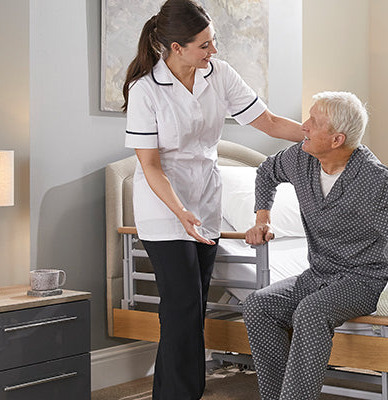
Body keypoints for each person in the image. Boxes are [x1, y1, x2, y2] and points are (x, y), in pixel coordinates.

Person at [121, 0, 304, 398]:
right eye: (204, 45)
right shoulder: (145, 90)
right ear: (176, 48)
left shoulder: (218, 74)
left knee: (189, 310)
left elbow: (268, 122)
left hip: (205, 202)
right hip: (164, 208)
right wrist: (180, 211)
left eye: (213, 42)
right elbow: (151, 166)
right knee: (182, 309)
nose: (214, 51)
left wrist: (317, 136)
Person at [242, 91, 388, 400]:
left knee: (310, 312)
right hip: (319, 274)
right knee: (258, 305)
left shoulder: (376, 181)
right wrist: (262, 216)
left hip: (366, 279)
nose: (303, 126)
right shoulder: (300, 158)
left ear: (336, 139)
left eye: (314, 122)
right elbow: (267, 171)